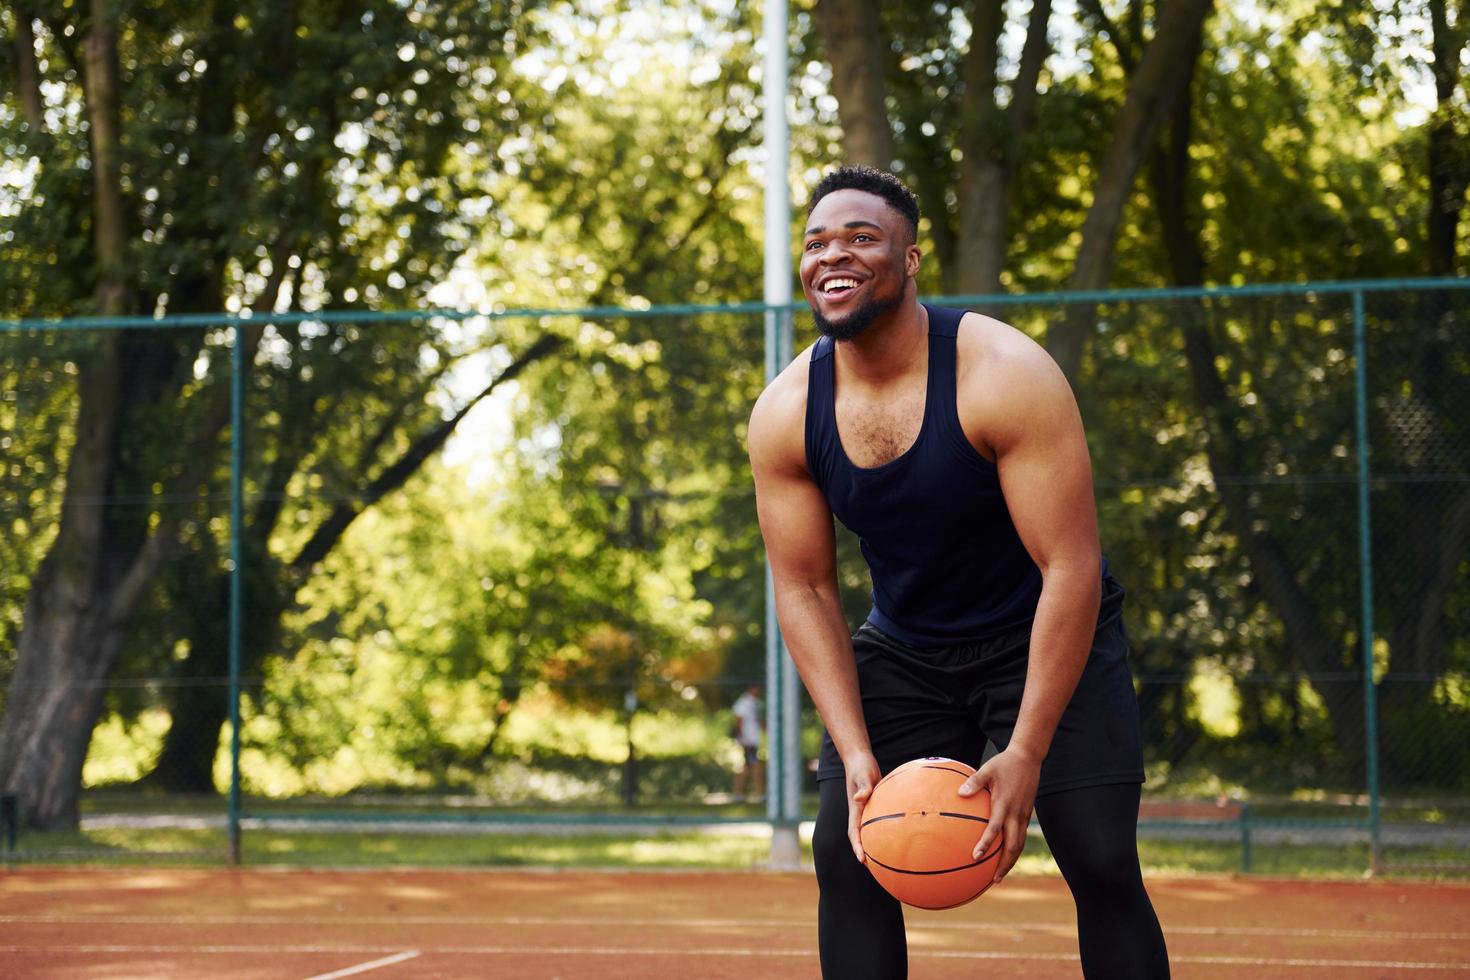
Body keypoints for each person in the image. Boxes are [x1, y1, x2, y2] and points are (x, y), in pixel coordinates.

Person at [746, 165, 1170, 979]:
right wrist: (855, 747)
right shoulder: (786, 410)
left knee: (1102, 859)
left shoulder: (1004, 373)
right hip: (906, 647)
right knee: (846, 850)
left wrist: (1027, 747)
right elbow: (803, 587)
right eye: (817, 242)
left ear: (908, 261)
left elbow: (1069, 565)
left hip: (1039, 626)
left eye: (862, 237)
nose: (834, 254)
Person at [730, 683, 765, 801]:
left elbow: (758, 722)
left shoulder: (754, 703)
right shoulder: (743, 703)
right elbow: (738, 722)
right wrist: (743, 739)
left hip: (753, 741)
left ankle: (739, 793)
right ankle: (759, 793)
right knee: (756, 767)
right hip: (748, 741)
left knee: (747, 768)